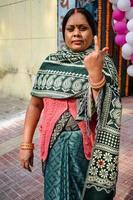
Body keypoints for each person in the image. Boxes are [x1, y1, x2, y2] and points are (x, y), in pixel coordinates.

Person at [19, 8, 122, 200]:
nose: (76, 33)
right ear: (64, 33)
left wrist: (95, 73)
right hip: (53, 147)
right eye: (70, 29)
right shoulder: (50, 63)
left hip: (86, 151)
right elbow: (35, 105)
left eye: (83, 28)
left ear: (92, 32)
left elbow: (109, 111)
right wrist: (26, 145)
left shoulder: (103, 63)